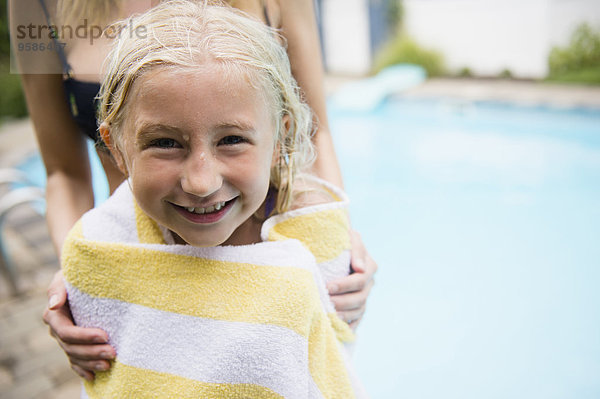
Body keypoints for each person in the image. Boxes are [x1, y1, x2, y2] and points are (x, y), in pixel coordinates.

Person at [9, 0, 376, 381]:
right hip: (139, 268)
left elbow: (313, 130)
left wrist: (337, 238)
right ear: (115, 145)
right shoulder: (36, 4)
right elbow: (65, 173)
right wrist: (79, 269)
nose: (202, 182)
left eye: (231, 138)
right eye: (164, 143)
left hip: (265, 248)